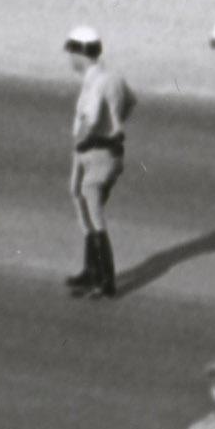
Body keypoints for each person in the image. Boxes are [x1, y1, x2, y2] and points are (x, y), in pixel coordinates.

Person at [64, 27, 131, 299]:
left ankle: (105, 280)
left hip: (96, 153)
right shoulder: (111, 76)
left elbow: (90, 121)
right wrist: (115, 123)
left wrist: (86, 137)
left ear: (81, 53)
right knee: (82, 205)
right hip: (103, 153)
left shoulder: (96, 83)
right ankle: (90, 270)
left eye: (71, 52)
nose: (69, 58)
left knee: (94, 217)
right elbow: (130, 102)